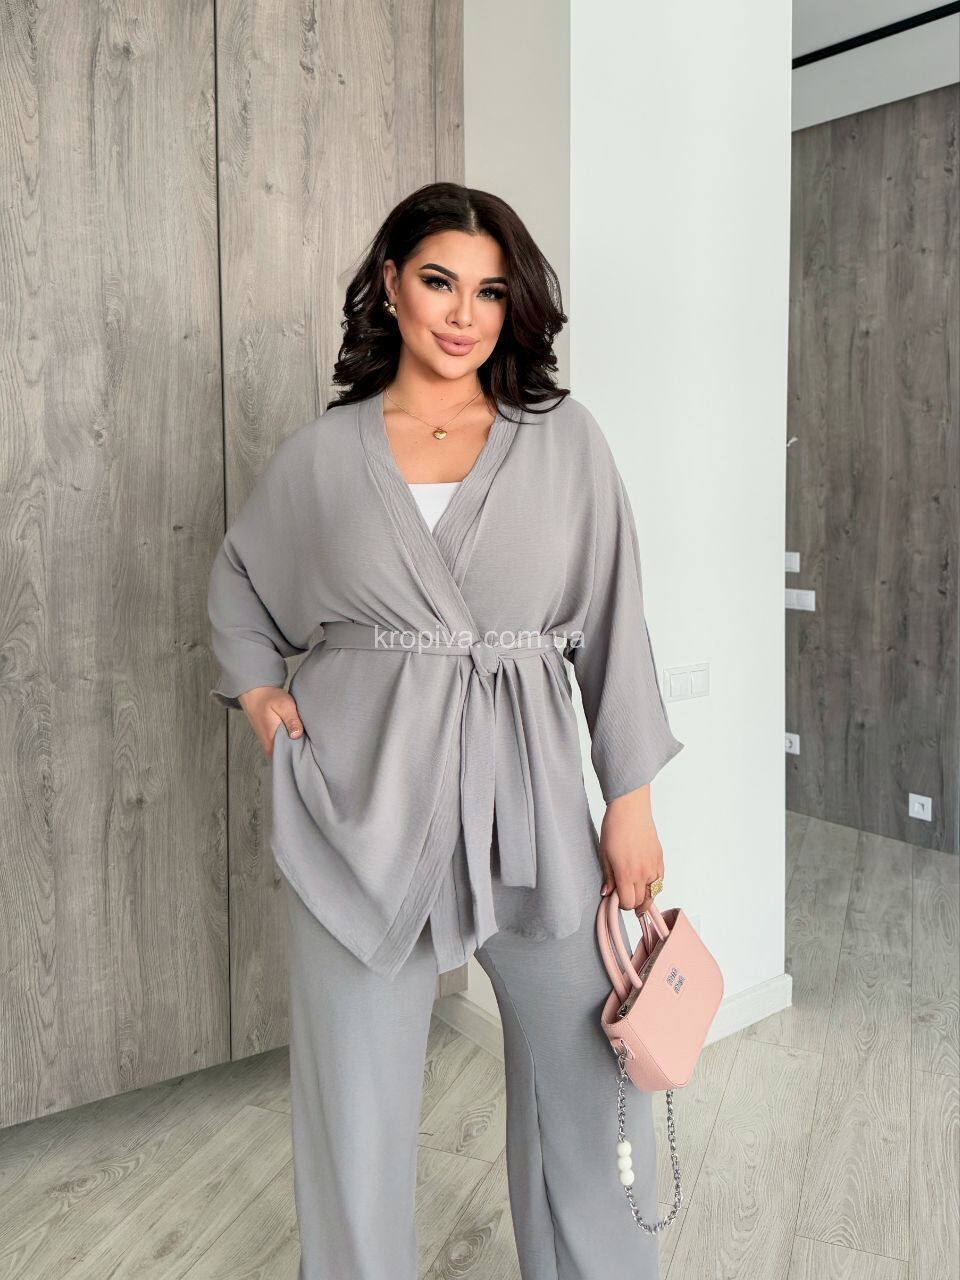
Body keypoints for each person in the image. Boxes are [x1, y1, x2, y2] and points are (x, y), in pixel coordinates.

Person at [206, 181, 684, 1280]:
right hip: (361, 808)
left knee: (590, 1078)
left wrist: (630, 798)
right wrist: (262, 700)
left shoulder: (564, 442)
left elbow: (614, 619)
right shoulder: (323, 456)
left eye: (490, 291)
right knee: (356, 1110)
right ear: (391, 284)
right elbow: (239, 581)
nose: (465, 314)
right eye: (438, 281)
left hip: (532, 804)